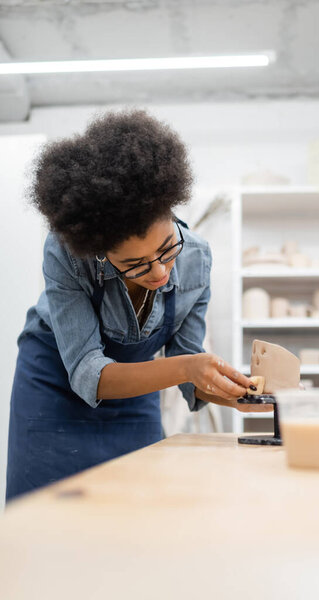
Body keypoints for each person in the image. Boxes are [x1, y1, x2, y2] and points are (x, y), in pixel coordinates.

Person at [6, 108, 256, 503]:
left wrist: (243, 395)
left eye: (165, 249)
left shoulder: (195, 258)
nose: (158, 272)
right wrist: (189, 367)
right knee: (44, 521)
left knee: (136, 509)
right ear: (100, 253)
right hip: (53, 385)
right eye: (135, 264)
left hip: (134, 386)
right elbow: (88, 371)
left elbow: (187, 365)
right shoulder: (67, 253)